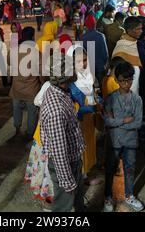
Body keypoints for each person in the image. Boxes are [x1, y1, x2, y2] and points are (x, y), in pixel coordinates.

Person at [40, 54, 85, 213]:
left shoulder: (58, 91)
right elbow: (59, 152)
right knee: (63, 205)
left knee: (77, 197)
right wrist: (67, 181)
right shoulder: (56, 111)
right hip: (65, 165)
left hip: (72, 159)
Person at [102, 61, 145, 212]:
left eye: (129, 80)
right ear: (116, 80)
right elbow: (106, 121)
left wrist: (116, 123)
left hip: (130, 141)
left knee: (130, 168)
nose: (126, 84)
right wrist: (124, 120)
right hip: (114, 141)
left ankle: (129, 195)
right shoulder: (110, 99)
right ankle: (107, 196)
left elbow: (138, 123)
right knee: (110, 169)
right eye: (123, 80)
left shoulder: (137, 100)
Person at [69, 46, 102, 184]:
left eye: (84, 60)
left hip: (88, 121)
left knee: (87, 145)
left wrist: (99, 101)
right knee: (78, 148)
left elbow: (93, 94)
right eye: (78, 61)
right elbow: (73, 108)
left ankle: (85, 174)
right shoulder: (69, 82)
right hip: (78, 122)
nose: (82, 64)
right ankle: (79, 177)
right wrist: (91, 108)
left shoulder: (87, 76)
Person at [10, 27, 43, 138]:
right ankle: (29, 133)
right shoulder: (36, 53)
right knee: (32, 113)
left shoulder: (14, 51)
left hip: (16, 88)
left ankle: (17, 128)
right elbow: (42, 72)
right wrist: (43, 84)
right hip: (31, 90)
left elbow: (8, 63)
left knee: (16, 109)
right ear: (33, 37)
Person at [112, 16, 143, 95]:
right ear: (129, 31)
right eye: (138, 29)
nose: (141, 31)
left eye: (141, 28)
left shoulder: (136, 43)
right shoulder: (121, 45)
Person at [82, 15, 109, 86]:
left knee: (92, 86)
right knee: (102, 86)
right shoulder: (101, 36)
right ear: (95, 24)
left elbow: (83, 55)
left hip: (90, 68)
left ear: (86, 25)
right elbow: (105, 54)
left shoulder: (83, 37)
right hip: (100, 66)